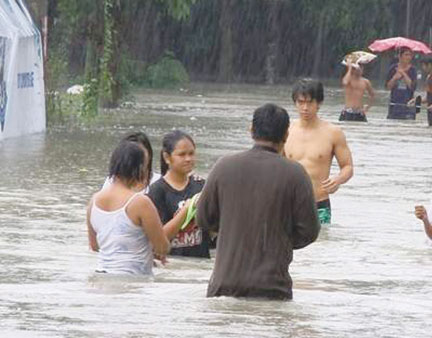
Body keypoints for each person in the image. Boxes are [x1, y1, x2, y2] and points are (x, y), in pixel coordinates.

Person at [196, 103, 320, 300]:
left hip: (224, 286)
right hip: (272, 288)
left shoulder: (224, 166)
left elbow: (203, 219)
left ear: (251, 130)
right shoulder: (295, 173)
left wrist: (233, 231)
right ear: (286, 135)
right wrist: (279, 240)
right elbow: (310, 231)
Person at [86, 140, 190, 275]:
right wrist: (185, 211)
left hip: (101, 276)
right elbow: (162, 247)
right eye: (146, 167)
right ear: (139, 168)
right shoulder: (140, 202)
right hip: (133, 280)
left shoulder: (93, 201)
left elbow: (95, 247)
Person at [285, 79, 354, 225]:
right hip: (288, 204)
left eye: (310, 102)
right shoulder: (285, 130)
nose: (305, 108)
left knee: (321, 245)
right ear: (295, 103)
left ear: (319, 103)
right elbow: (272, 162)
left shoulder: (333, 133)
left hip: (319, 205)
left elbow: (347, 167)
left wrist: (338, 180)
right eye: (301, 102)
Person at [146, 130, 212, 258]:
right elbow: (158, 238)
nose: (188, 159)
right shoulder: (157, 191)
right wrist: (187, 209)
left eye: (191, 154)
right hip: (171, 266)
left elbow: (213, 230)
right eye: (181, 155)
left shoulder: (202, 186)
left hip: (200, 264)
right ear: (167, 157)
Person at [386, 48, 417, 120]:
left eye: (410, 55)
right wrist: (395, 78)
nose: (408, 57)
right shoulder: (393, 68)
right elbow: (388, 87)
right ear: (400, 56)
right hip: (394, 103)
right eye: (406, 55)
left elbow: (412, 87)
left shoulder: (413, 70)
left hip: (408, 104)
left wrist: (403, 73)